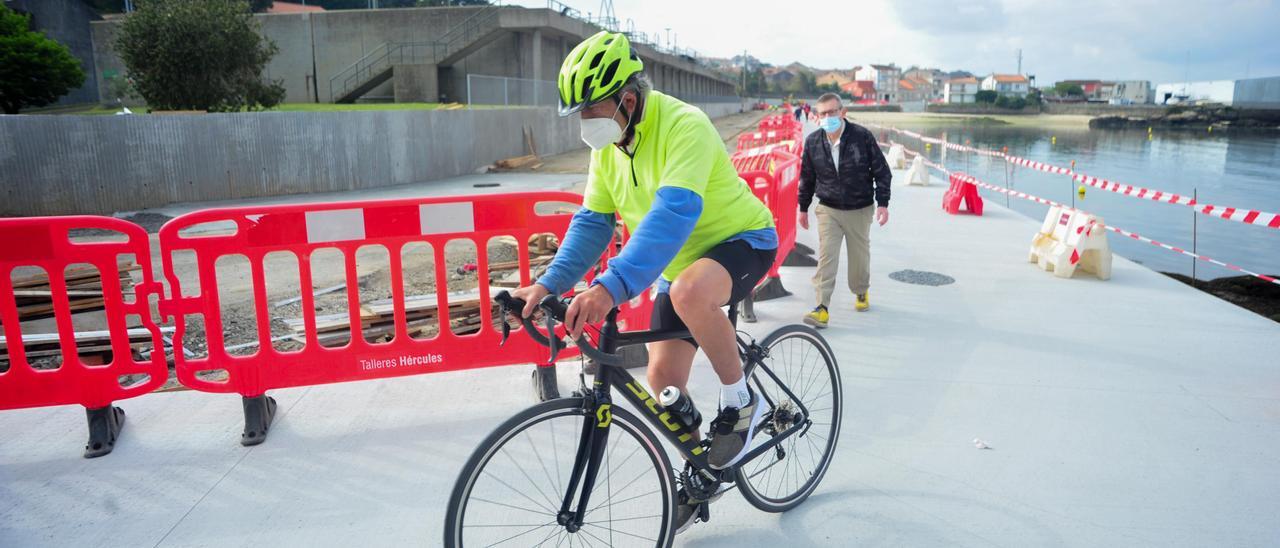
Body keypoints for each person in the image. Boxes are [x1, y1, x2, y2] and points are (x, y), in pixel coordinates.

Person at [510, 31, 778, 533]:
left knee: (691, 293)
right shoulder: (609, 146)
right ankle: (704, 467)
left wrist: (609, 288)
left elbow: (673, 215)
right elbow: (593, 222)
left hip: (744, 240)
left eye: (590, 110)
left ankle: (742, 400)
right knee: (662, 383)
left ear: (627, 100)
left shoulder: (685, 127)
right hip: (680, 264)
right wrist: (545, 285)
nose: (584, 123)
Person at [797, 93, 891, 327]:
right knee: (827, 256)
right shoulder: (813, 142)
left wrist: (883, 203)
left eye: (832, 112)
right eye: (823, 114)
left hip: (860, 208)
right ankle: (821, 307)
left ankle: (860, 290)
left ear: (843, 112)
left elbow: (882, 171)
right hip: (828, 208)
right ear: (816, 116)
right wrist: (803, 207)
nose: (827, 117)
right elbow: (807, 178)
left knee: (859, 257)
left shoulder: (862, 137)